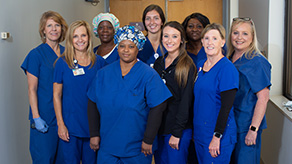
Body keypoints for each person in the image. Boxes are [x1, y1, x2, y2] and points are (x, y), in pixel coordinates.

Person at [87, 25, 172, 164]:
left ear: (138, 48)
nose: (126, 50)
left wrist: (149, 139)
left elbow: (158, 107)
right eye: (122, 46)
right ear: (117, 47)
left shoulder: (148, 75)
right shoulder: (103, 73)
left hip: (137, 148)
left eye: (131, 46)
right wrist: (94, 133)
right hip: (107, 145)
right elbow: (92, 102)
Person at [53, 20, 106, 164]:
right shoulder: (62, 63)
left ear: (89, 37)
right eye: (75, 36)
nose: (80, 40)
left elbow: (105, 95)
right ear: (70, 39)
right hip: (70, 127)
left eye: (83, 35)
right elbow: (56, 96)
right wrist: (61, 125)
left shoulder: (99, 63)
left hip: (93, 128)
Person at [20, 11, 67, 164]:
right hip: (44, 116)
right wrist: (36, 117)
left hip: (64, 116)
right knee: (44, 159)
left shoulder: (67, 53)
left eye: (57, 25)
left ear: (62, 29)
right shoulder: (35, 55)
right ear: (43, 30)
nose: (54, 29)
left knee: (63, 159)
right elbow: (32, 89)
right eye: (49, 26)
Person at [193, 23, 239, 163]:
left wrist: (216, 137)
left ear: (223, 42)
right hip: (200, 132)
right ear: (202, 41)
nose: (210, 42)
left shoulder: (227, 69)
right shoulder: (201, 65)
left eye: (214, 38)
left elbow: (226, 107)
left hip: (218, 136)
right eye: (206, 38)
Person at [228, 17, 271, 164]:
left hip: (246, 125)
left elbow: (263, 98)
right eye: (235, 33)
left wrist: (253, 129)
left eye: (245, 33)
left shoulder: (257, 61)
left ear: (252, 37)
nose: (239, 37)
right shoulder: (229, 58)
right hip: (230, 124)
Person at [153, 21, 196, 164]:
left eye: (174, 36)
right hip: (160, 128)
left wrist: (177, 133)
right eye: (166, 36)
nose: (169, 41)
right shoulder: (159, 63)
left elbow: (186, 101)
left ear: (182, 40)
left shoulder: (187, 65)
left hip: (178, 130)